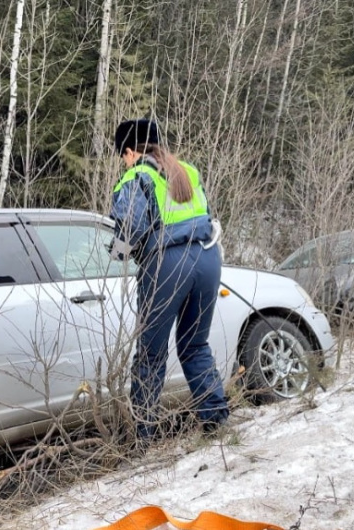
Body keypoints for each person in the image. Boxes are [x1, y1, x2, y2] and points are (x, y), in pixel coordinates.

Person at [109, 118, 229, 442]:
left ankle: (142, 438)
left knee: (150, 354)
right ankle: (217, 422)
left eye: (123, 156)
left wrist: (117, 254)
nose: (124, 162)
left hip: (167, 264)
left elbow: (130, 227)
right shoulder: (187, 171)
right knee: (194, 344)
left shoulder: (137, 175)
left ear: (131, 152)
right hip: (207, 257)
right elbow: (205, 213)